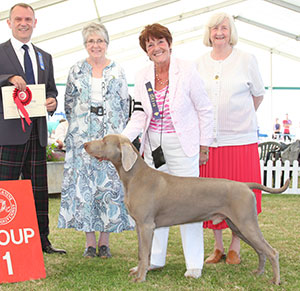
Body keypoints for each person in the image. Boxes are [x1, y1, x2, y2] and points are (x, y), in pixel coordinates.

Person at [122, 23, 214, 278]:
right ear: (146, 51)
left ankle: (194, 263)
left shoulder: (187, 70)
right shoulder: (142, 75)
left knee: (190, 203)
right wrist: (123, 138)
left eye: (159, 41)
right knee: (152, 205)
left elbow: (204, 109)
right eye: (149, 45)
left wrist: (204, 145)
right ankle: (154, 259)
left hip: (184, 146)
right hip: (154, 149)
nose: (155, 48)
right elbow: (139, 114)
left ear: (169, 43)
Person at [58, 22, 135, 258]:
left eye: (100, 41)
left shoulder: (118, 70)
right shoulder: (75, 70)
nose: (95, 45)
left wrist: (116, 134)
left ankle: (105, 242)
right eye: (91, 41)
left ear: (107, 43)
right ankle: (89, 243)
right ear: (85, 45)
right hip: (82, 138)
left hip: (109, 140)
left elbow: (124, 105)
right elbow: (68, 104)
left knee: (108, 187)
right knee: (84, 189)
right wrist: (80, 128)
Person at [197, 12, 265, 265]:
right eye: (214, 28)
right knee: (212, 197)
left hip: (240, 142)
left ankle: (236, 246)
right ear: (208, 32)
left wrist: (239, 118)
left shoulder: (247, 59)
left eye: (224, 28)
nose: (219, 32)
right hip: (210, 143)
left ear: (231, 31)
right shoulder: (199, 62)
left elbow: (257, 95)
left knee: (238, 197)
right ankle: (218, 247)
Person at [0, 3, 65, 254]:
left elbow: (50, 89)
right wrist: (7, 79)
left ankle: (42, 241)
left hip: (37, 134)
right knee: (4, 190)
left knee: (39, 190)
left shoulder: (44, 56)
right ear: (9, 22)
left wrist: (53, 101)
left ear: (35, 22)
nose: (23, 23)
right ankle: (5, 242)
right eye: (18, 19)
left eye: (28, 18)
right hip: (8, 134)